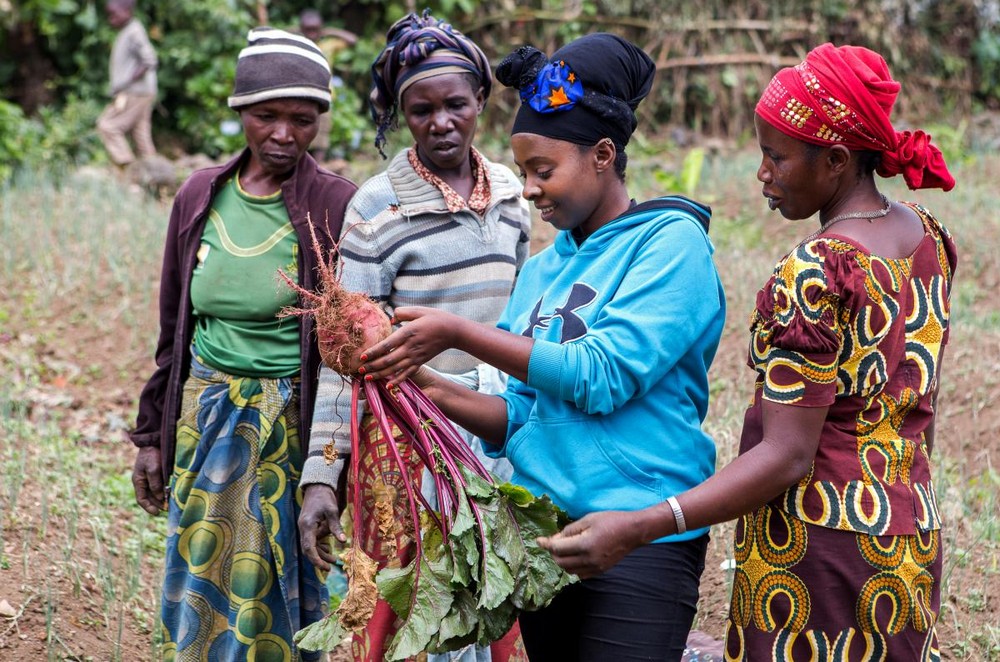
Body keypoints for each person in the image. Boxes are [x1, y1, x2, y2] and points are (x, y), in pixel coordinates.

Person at [497, 44, 957, 660]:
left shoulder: (817, 271)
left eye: (776, 155)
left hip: (818, 545)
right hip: (908, 534)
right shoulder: (929, 237)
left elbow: (788, 456)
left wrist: (646, 523)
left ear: (838, 160)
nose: (762, 173)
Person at [358, 32, 727, 660]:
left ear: (604, 154)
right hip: (546, 536)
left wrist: (455, 332)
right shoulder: (543, 269)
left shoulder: (669, 245)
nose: (527, 189)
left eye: (542, 171)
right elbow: (519, 414)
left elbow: (601, 376)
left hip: (639, 535)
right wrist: (420, 382)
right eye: (524, 170)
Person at [296, 11, 532, 662]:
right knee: (411, 608)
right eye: (421, 109)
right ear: (401, 115)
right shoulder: (375, 208)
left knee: (500, 592)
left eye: (456, 104)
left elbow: (528, 319)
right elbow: (349, 355)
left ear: (483, 100)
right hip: (409, 437)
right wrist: (323, 473)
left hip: (499, 427)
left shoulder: (515, 194)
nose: (441, 122)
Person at [128, 27, 357, 661]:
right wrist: (151, 436)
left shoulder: (335, 205)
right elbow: (174, 325)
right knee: (202, 565)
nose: (284, 134)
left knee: (284, 577)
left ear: (319, 122)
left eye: (302, 120)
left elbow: (344, 351)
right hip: (205, 416)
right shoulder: (199, 195)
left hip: (289, 425)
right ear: (239, 113)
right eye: (267, 116)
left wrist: (330, 471)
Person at [97, 0, 158, 167]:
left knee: (107, 126)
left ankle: (127, 165)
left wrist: (126, 83)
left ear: (127, 11)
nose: (111, 19)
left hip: (135, 92)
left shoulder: (134, 31)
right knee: (141, 135)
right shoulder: (128, 31)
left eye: (114, 14)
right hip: (142, 92)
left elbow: (150, 60)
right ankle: (156, 174)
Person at [298, 8, 358, 161]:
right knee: (300, 132)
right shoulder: (297, 44)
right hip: (300, 95)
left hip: (324, 95)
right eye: (308, 30)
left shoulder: (328, 45)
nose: (312, 34)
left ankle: (318, 168)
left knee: (321, 133)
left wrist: (328, 31)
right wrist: (298, 31)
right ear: (302, 28)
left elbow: (353, 40)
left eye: (315, 29)